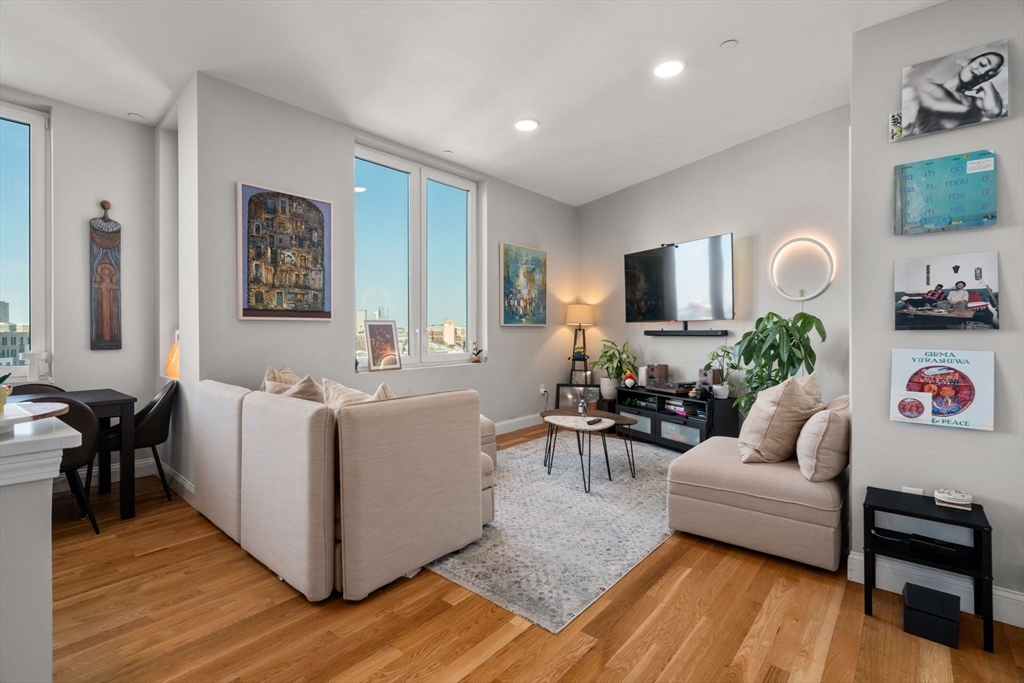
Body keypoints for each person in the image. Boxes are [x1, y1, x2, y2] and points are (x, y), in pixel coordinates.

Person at [906, 51, 1006, 135]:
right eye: (982, 64)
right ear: (968, 62)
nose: (982, 72)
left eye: (989, 74)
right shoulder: (927, 86)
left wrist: (987, 84)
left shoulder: (972, 102)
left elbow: (994, 111)